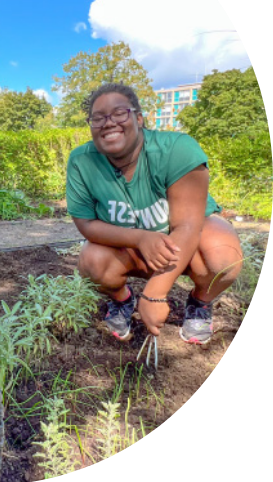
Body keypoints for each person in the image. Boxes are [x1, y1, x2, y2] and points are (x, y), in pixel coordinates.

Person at [66, 83, 243, 344]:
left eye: (119, 113)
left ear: (139, 118)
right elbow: (85, 223)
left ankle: (200, 303)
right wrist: (140, 238)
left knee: (223, 255)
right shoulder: (82, 161)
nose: (108, 123)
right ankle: (122, 301)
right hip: (132, 249)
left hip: (186, 244)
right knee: (91, 260)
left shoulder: (177, 149)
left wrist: (156, 294)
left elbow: (187, 227)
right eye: (98, 117)